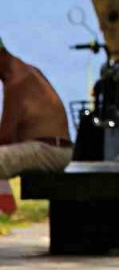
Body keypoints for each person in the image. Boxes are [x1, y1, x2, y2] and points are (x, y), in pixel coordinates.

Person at [0, 37, 72, 215]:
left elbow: (5, 137)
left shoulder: (16, 81)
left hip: (48, 150)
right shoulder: (29, 70)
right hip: (55, 148)